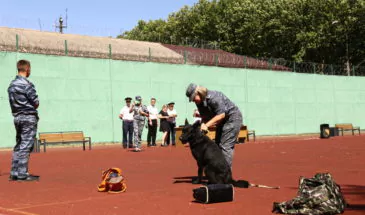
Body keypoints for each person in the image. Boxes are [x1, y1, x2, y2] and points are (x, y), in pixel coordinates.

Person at [185, 83, 243, 168]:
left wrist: (207, 125)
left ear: (198, 93)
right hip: (221, 121)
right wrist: (200, 128)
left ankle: (225, 175)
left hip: (232, 118)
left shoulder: (214, 97)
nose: (193, 101)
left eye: (193, 98)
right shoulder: (199, 102)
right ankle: (218, 171)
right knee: (217, 145)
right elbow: (204, 117)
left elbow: (221, 115)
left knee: (225, 146)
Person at [8, 60, 40, 181]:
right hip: (28, 117)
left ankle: (14, 172)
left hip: (17, 117)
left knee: (19, 144)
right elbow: (36, 103)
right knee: (26, 145)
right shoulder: (27, 84)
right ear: (27, 69)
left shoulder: (11, 85)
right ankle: (22, 173)